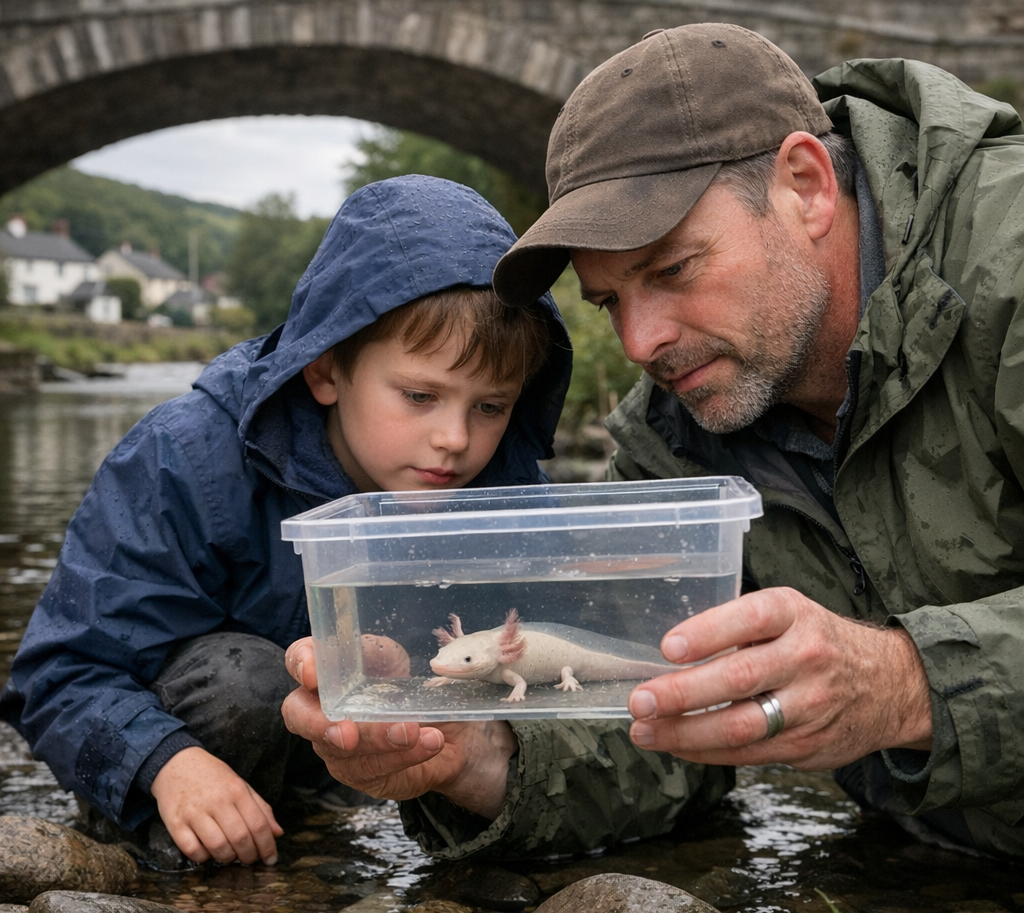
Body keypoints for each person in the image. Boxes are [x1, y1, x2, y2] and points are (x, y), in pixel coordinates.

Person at [282, 24, 1024, 860]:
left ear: (806, 187)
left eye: (673, 270)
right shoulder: (674, 434)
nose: (640, 344)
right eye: (607, 303)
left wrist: (907, 684)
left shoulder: (1010, 260)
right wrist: (476, 754)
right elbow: (665, 730)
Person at [0, 175, 573, 868]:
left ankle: (329, 834)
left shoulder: (505, 487)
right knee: (249, 682)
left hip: (364, 769)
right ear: (327, 372)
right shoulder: (185, 460)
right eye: (420, 396)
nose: (455, 438)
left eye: (490, 406)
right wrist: (166, 763)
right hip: (185, 757)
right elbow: (59, 672)